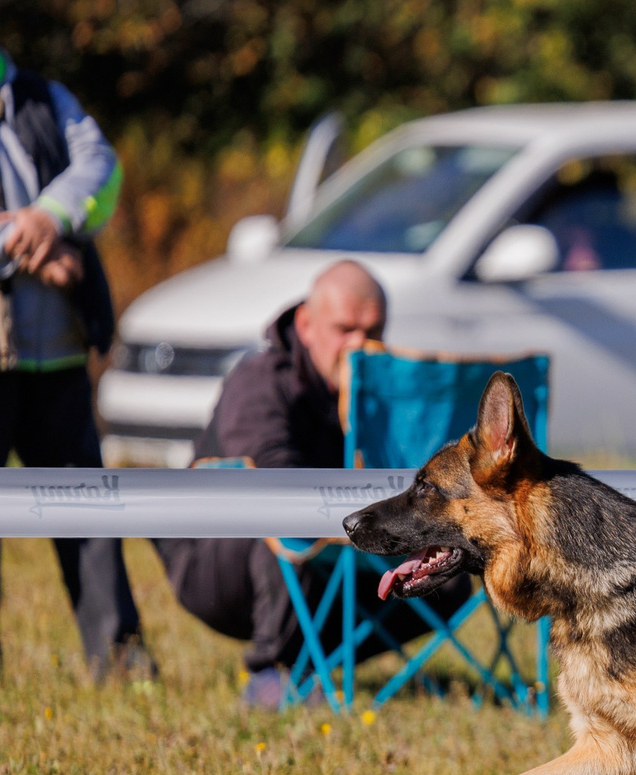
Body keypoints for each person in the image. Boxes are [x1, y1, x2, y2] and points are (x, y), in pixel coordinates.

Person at [154, 260, 466, 706]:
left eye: (373, 330)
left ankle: (314, 661)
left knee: (448, 572)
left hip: (328, 548)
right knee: (285, 524)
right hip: (217, 553)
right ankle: (272, 670)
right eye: (345, 329)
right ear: (305, 324)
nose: (359, 344)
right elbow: (278, 482)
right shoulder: (258, 380)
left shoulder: (383, 392)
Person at [0, 0, 153, 683]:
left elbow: (98, 168)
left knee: (88, 514)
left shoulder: (44, 97)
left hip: (57, 356)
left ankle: (120, 656)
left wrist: (48, 218)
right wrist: (37, 253)